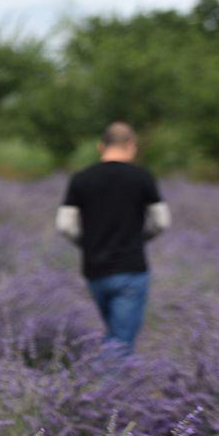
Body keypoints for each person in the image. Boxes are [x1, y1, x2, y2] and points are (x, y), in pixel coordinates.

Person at [55, 122, 170, 355]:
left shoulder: (81, 178)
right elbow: (161, 222)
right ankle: (103, 389)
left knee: (115, 334)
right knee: (120, 342)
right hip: (130, 268)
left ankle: (108, 384)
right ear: (131, 146)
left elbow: (64, 225)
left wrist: (86, 242)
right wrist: (140, 237)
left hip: (95, 269)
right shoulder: (142, 177)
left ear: (101, 146)